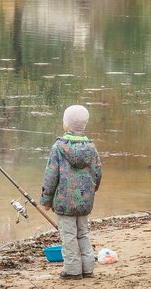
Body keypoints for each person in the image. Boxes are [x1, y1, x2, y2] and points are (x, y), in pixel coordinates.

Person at [40, 105, 102, 280]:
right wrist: (92, 190)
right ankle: (88, 268)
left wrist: (46, 200)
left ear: (65, 125)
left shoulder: (58, 147)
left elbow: (50, 176)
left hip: (64, 202)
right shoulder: (91, 148)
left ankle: (73, 270)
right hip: (84, 201)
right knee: (82, 233)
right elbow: (98, 172)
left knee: (68, 236)